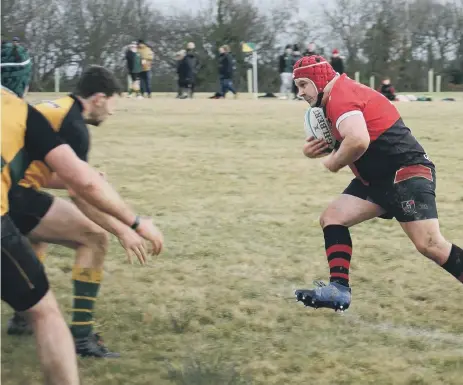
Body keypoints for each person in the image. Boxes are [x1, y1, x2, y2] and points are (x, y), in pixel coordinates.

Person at [1, 86, 163, 384]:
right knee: (93, 237)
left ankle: (21, 317)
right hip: (14, 196)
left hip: (16, 188)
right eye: (113, 103)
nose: (112, 112)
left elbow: (38, 169)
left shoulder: (58, 106)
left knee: (38, 234)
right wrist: (126, 228)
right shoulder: (71, 126)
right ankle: (82, 334)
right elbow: (81, 188)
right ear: (99, 98)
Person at [291, 55, 463, 311]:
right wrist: (313, 151)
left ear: (319, 80)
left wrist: (334, 162)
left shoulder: (341, 96)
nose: (300, 92)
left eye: (303, 84)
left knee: (430, 245)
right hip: (377, 178)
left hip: (405, 172)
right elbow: (347, 138)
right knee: (333, 217)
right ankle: (338, 290)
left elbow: (358, 140)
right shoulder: (331, 99)